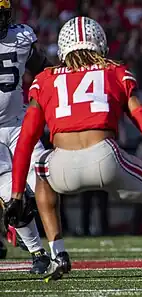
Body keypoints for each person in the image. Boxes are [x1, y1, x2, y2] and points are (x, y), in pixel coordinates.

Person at [6, 17, 142, 290]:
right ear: (100, 42)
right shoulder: (114, 72)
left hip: (61, 166)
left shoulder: (45, 79)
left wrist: (17, 194)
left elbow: (26, 140)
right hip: (105, 157)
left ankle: (58, 253)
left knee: (41, 170)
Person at [0, 0, 51, 273]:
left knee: (44, 178)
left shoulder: (21, 38)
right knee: (13, 195)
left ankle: (58, 250)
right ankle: (38, 253)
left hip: (20, 123)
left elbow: (45, 69)